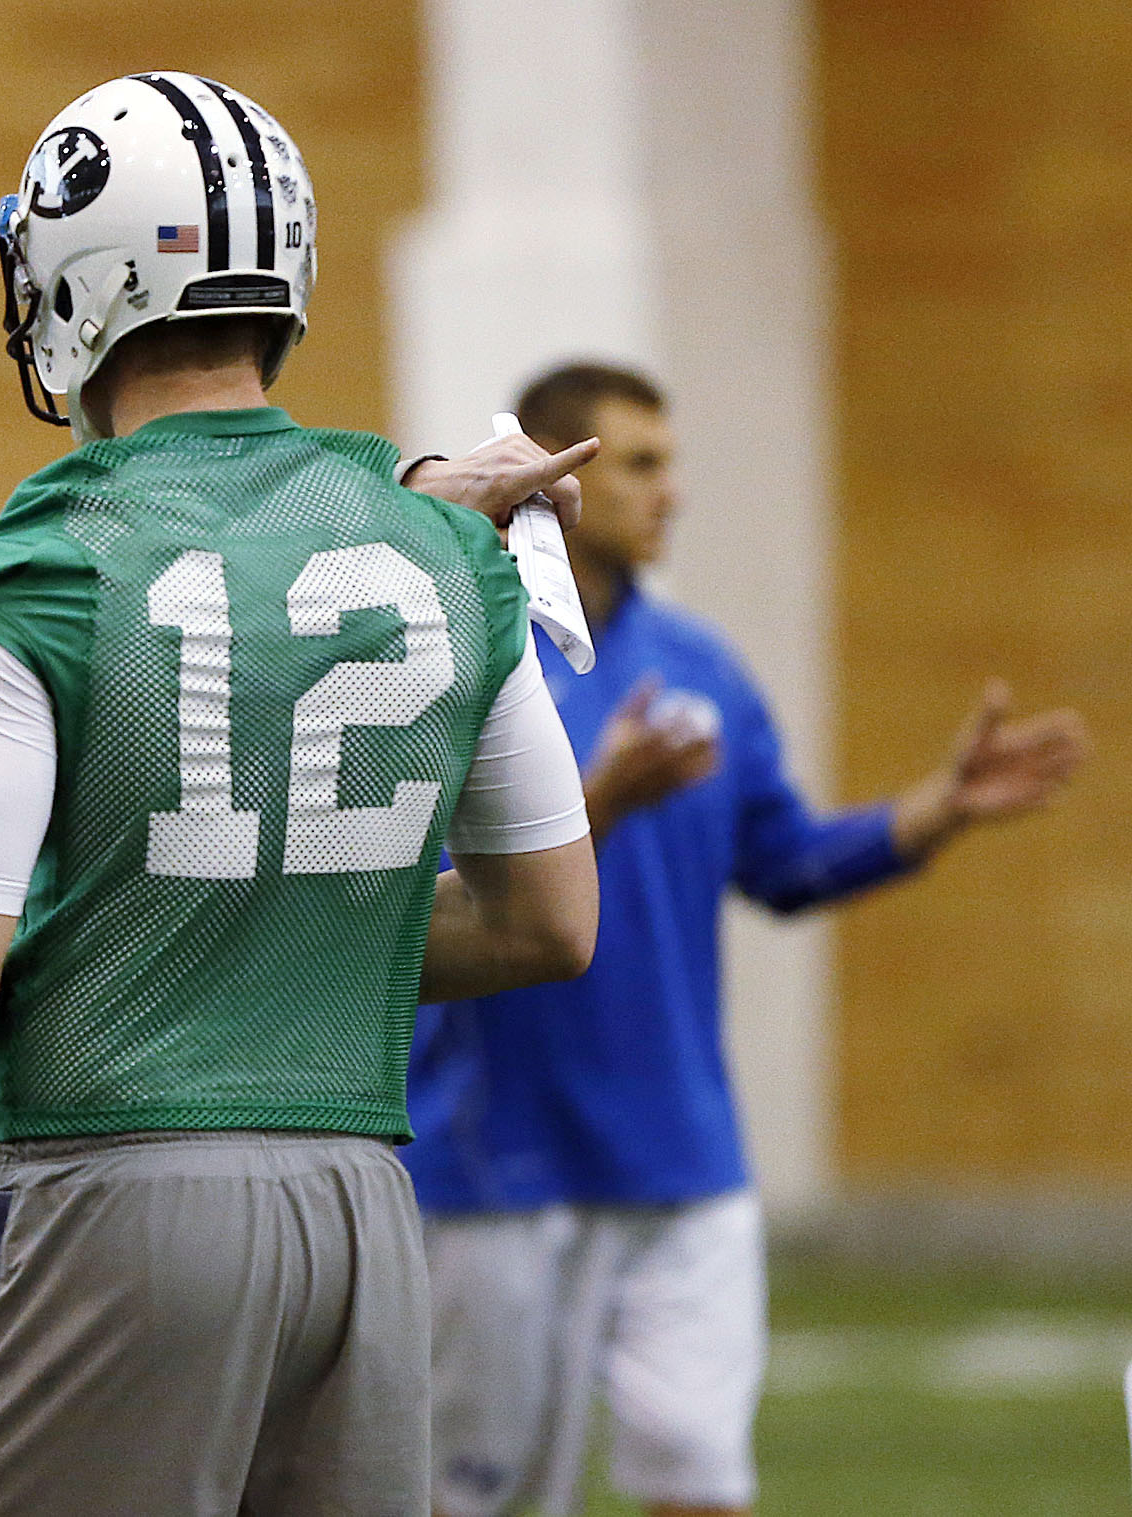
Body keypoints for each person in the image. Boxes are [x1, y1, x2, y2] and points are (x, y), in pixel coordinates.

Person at [0, 73, 604, 1517]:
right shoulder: (449, 546)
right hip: (367, 1217)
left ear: (75, 287)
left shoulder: (37, 566)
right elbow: (552, 923)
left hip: (115, 1191)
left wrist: (152, 928)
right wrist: (268, 922)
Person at [406, 362, 1089, 1517]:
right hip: (499, 1165)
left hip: (683, 1158)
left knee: (701, 1477)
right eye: (641, 464)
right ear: (566, 479)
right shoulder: (464, 660)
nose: (672, 492)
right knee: (481, 1497)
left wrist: (937, 808)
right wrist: (600, 797)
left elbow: (784, 866)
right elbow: (404, 903)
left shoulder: (705, 668)